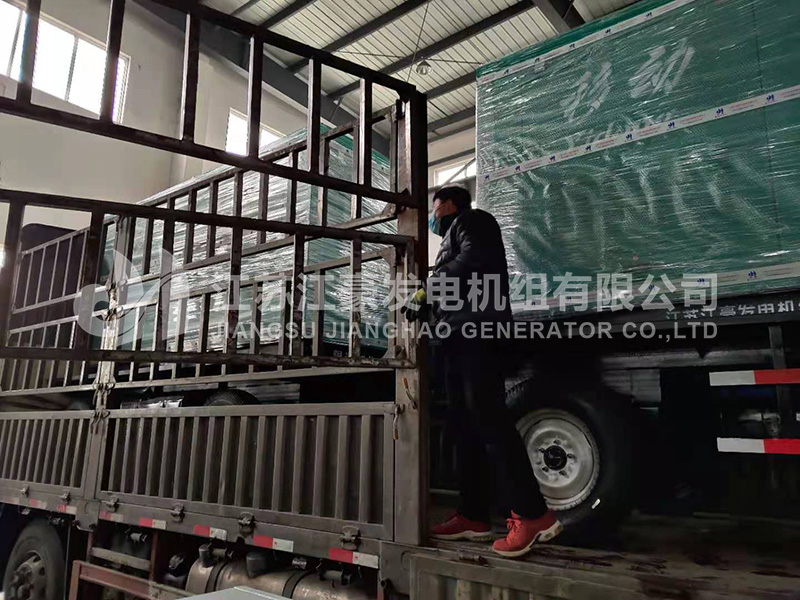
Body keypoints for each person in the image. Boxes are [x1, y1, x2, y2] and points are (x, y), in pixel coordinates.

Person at [403, 186, 562, 558]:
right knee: (464, 428)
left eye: (434, 207)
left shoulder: (473, 220)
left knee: (489, 419)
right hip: (456, 337)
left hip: (478, 334)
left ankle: (533, 514)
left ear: (449, 204)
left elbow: (475, 260)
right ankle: (472, 515)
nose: (432, 216)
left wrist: (426, 289)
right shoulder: (451, 240)